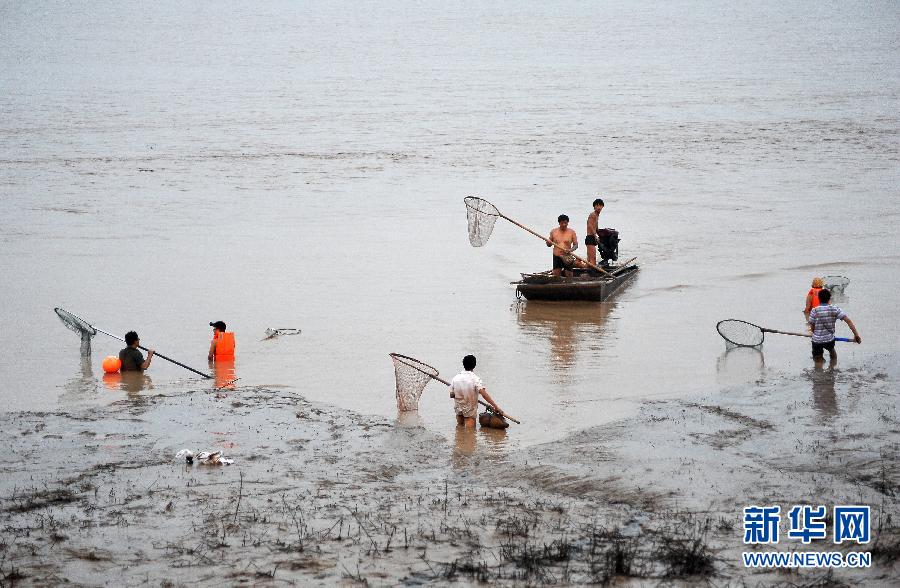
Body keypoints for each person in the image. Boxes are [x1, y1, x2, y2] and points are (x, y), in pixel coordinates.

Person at [449, 355, 504, 428]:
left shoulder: (455, 378)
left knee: (460, 428)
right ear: (474, 365)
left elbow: (451, 395)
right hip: (470, 408)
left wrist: (462, 396)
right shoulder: (475, 379)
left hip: (458, 407)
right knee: (470, 432)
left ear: (463, 364)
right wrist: (496, 407)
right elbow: (484, 394)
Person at [807, 289, 861, 363]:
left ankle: (818, 371)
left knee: (818, 359)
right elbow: (848, 321)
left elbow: (812, 326)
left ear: (819, 299)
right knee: (832, 352)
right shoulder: (835, 309)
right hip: (829, 339)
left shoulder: (814, 310)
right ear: (829, 299)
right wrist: (856, 335)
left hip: (817, 340)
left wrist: (815, 334)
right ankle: (832, 368)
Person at [585, 198, 604, 266]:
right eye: (597, 205)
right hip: (590, 238)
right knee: (592, 259)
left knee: (590, 259)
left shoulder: (597, 215)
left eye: (600, 205)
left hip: (592, 237)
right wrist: (595, 236)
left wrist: (600, 233)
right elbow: (590, 225)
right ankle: (592, 274)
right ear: (594, 207)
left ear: (602, 207)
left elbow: (596, 226)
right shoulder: (593, 214)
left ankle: (586, 272)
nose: (599, 207)